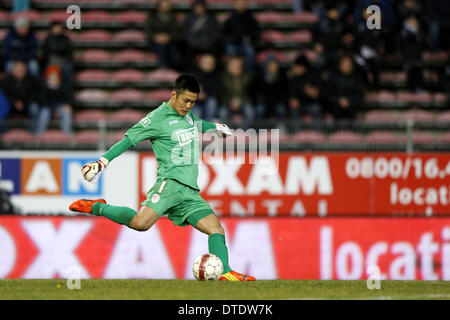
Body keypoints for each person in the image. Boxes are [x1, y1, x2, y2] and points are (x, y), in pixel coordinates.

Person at [69, 74, 256, 282]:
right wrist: (102, 162)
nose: (188, 106)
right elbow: (128, 140)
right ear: (174, 95)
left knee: (216, 229)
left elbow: (197, 124)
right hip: (170, 185)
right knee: (140, 223)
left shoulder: (188, 116)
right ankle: (98, 207)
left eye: (193, 102)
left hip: (189, 192)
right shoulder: (156, 118)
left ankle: (225, 272)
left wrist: (216, 128)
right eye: (185, 100)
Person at [0, 60, 40, 132]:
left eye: (22, 69)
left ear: (25, 70)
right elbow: (5, 95)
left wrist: (24, 103)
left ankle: (33, 133)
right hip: (11, 104)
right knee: (3, 106)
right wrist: (15, 102)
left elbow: (34, 95)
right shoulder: (6, 81)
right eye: (18, 69)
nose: (20, 71)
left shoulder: (31, 80)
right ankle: (3, 131)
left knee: (34, 108)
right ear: (13, 70)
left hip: (27, 104)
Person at [223, 0, 260, 71]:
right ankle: (232, 72)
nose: (240, 5)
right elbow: (225, 32)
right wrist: (230, 39)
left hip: (245, 43)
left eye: (242, 3)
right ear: (235, 5)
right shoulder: (230, 18)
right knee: (230, 51)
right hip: (232, 43)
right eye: (238, 4)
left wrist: (249, 37)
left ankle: (247, 73)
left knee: (250, 52)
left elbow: (256, 32)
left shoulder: (250, 18)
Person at [218, 55, 254, 129]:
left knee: (250, 112)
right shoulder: (222, 78)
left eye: (238, 65)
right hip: (227, 102)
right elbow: (221, 94)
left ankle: (243, 131)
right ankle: (228, 131)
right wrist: (229, 102)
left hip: (243, 101)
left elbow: (248, 94)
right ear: (228, 66)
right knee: (222, 113)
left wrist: (240, 102)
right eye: (234, 65)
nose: (236, 67)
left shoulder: (247, 77)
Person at [36, 65, 73, 135]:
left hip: (60, 107)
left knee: (67, 114)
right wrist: (54, 110)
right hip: (47, 107)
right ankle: (39, 136)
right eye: (51, 76)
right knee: (44, 114)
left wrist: (68, 105)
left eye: (55, 76)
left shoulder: (63, 86)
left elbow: (69, 98)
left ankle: (66, 136)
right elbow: (42, 101)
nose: (53, 79)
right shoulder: (43, 87)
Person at [145, 0, 182, 70]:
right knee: (163, 48)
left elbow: (176, 31)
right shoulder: (152, 16)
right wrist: (156, 37)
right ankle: (163, 69)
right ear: (159, 6)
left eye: (167, 5)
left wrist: (169, 37)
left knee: (175, 56)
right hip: (155, 43)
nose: (166, 6)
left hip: (171, 42)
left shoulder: (173, 17)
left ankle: (172, 70)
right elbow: (148, 30)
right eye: (164, 5)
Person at [328, 55, 364, 120]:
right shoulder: (333, 78)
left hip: (352, 109)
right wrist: (339, 101)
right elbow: (329, 94)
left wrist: (349, 101)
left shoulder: (357, 78)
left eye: (348, 65)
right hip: (336, 109)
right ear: (340, 65)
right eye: (344, 64)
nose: (346, 67)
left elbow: (360, 95)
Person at [191, 53, 220, 121]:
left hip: (207, 100)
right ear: (200, 63)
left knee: (212, 101)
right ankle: (197, 129)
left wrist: (204, 94)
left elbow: (216, 90)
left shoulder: (215, 76)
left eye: (211, 63)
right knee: (197, 113)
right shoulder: (193, 74)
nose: (209, 65)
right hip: (194, 102)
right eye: (207, 62)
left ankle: (208, 124)